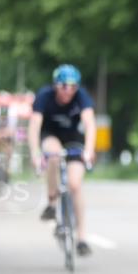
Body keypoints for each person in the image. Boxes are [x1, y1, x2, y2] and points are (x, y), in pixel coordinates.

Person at [28, 64, 97, 256]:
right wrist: (35, 153)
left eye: (73, 86)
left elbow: (89, 123)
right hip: (50, 135)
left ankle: (82, 238)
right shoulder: (44, 96)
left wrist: (89, 150)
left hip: (73, 138)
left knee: (75, 185)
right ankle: (51, 202)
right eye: (64, 86)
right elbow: (34, 125)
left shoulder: (81, 96)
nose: (68, 90)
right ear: (55, 85)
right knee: (54, 154)